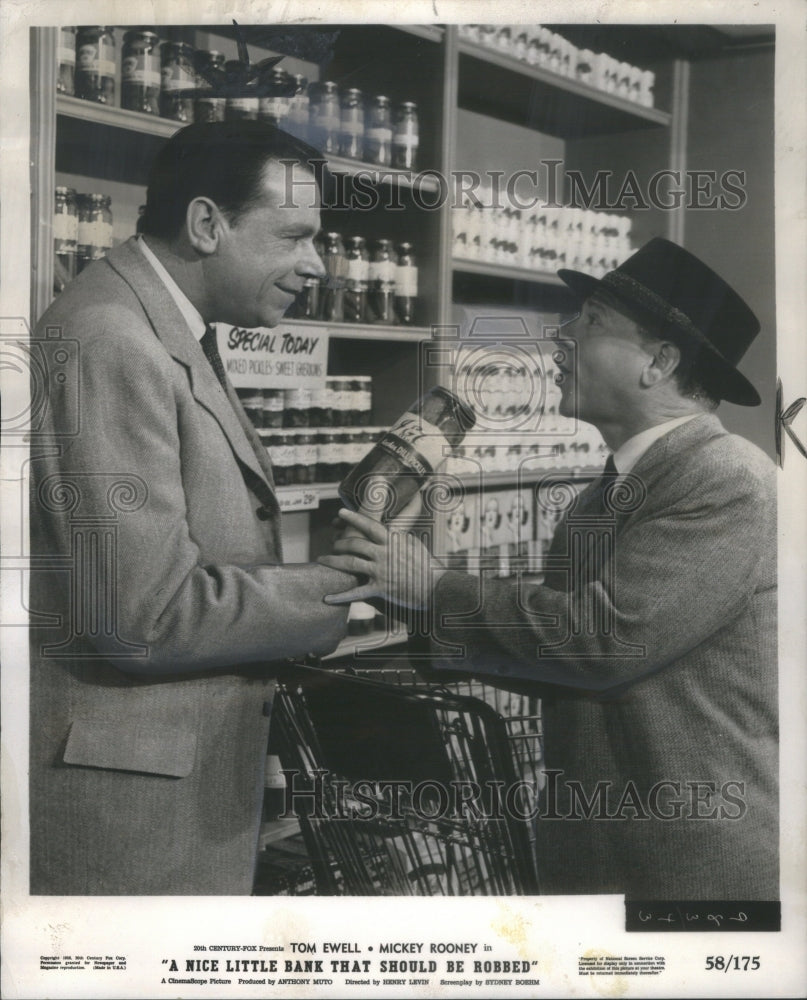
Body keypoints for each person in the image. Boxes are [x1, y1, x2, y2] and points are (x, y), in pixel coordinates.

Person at [322, 238, 778, 900]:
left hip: (687, 868)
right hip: (604, 855)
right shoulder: (608, 493)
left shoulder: (726, 478)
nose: (561, 336)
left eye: (590, 321)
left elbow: (604, 640)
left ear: (659, 361)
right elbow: (547, 653)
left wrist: (431, 588)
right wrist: (388, 596)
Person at [28, 121, 355, 895]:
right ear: (208, 223)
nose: (315, 265)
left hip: (163, 800)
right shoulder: (112, 339)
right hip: (128, 825)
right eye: (293, 237)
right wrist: (344, 586)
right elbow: (143, 615)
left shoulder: (161, 326)